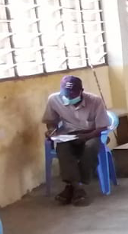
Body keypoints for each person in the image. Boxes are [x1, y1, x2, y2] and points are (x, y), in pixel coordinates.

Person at [41, 75, 111, 207]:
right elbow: (51, 121)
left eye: (73, 95)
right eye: (66, 95)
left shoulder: (95, 101)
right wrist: (51, 130)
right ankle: (78, 188)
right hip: (68, 135)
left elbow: (102, 126)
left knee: (90, 148)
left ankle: (71, 187)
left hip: (91, 134)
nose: (69, 98)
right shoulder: (54, 99)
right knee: (63, 149)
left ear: (81, 91)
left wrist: (86, 136)